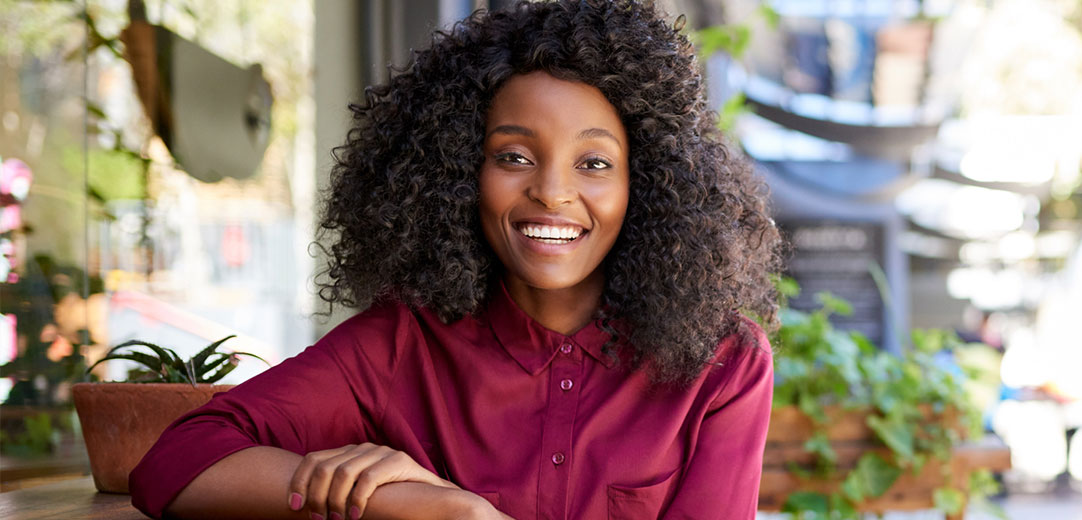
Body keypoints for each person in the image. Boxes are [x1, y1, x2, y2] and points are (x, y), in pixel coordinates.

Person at [128, 2, 782, 519]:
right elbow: (176, 463)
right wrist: (421, 505)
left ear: (645, 182)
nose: (552, 191)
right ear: (457, 171)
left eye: (594, 163)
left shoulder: (720, 364)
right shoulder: (398, 347)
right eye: (514, 156)